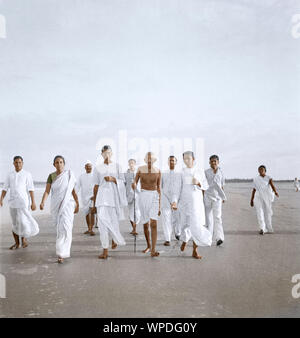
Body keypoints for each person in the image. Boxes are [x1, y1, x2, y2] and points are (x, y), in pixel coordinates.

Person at [40, 155, 79, 263]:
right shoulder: (51, 176)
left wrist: (77, 203)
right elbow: (47, 191)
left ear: (64, 164)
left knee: (66, 228)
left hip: (68, 205)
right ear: (54, 164)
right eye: (57, 162)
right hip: (56, 205)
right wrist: (43, 202)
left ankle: (62, 253)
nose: (59, 164)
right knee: (59, 229)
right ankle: (61, 251)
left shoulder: (69, 175)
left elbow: (73, 191)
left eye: (61, 162)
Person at [92, 145, 127, 259]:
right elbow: (96, 186)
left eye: (109, 153)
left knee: (114, 222)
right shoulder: (97, 168)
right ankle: (105, 250)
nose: (107, 155)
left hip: (113, 199)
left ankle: (114, 238)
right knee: (102, 225)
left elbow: (123, 182)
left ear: (112, 154)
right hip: (101, 199)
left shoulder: (117, 166)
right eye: (105, 153)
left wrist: (113, 179)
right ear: (102, 154)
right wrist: (94, 204)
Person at [0, 156, 39, 250]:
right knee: (14, 223)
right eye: (16, 162)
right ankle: (17, 243)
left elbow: (31, 189)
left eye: (20, 162)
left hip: (23, 202)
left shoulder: (27, 174)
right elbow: (5, 188)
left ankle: (24, 240)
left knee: (23, 221)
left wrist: (33, 202)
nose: (18, 164)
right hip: (13, 202)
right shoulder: (10, 175)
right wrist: (1, 199)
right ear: (13, 163)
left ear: (22, 163)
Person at [178, 151, 212, 259]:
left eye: (189, 158)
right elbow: (178, 187)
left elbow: (206, 185)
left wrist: (198, 183)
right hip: (184, 201)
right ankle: (185, 239)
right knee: (184, 225)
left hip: (196, 202)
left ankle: (195, 250)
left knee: (196, 225)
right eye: (185, 158)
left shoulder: (199, 171)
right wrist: (175, 201)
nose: (187, 160)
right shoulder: (181, 172)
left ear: (193, 159)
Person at [132, 152, 161, 257]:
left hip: (154, 196)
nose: (149, 160)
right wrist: (134, 185)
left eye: (151, 159)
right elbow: (135, 181)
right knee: (145, 224)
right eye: (148, 158)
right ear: (145, 160)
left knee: (154, 223)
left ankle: (153, 250)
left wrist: (159, 205)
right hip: (143, 195)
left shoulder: (158, 171)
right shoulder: (140, 169)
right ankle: (148, 245)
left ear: (154, 160)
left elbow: (158, 188)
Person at [204, 155, 226, 246]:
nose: (213, 163)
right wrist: (202, 197)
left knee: (217, 217)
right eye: (211, 161)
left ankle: (219, 238)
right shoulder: (206, 172)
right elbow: (203, 185)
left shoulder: (221, 173)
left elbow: (222, 186)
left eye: (215, 161)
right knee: (208, 218)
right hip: (207, 197)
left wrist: (223, 196)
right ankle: (208, 238)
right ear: (209, 162)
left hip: (217, 198)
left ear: (218, 162)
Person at [250, 165, 279, 235]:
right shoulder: (256, 179)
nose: (260, 171)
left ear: (265, 170)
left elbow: (272, 186)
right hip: (258, 197)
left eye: (262, 169)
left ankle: (268, 227)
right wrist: (252, 199)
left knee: (267, 212)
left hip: (266, 197)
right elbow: (254, 189)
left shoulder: (268, 178)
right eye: (259, 170)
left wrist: (275, 192)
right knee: (259, 212)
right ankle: (262, 228)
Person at [161, 155, 181, 246]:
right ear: (167, 162)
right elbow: (160, 186)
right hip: (165, 196)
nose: (171, 162)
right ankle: (167, 238)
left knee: (177, 218)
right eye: (170, 161)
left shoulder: (180, 173)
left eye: (173, 160)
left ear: (176, 162)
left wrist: (177, 200)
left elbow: (182, 187)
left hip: (176, 197)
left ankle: (178, 233)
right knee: (166, 217)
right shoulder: (163, 173)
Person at [76, 160, 96, 236]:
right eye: (87, 166)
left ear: (92, 167)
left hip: (92, 197)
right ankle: (89, 228)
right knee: (86, 213)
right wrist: (74, 195)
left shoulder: (94, 175)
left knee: (92, 212)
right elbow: (77, 186)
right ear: (85, 167)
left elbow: (98, 186)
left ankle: (91, 229)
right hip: (84, 197)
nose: (88, 168)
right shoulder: (81, 176)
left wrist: (95, 195)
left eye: (90, 166)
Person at [124, 159, 141, 236]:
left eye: (133, 163)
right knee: (131, 212)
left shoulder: (138, 173)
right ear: (128, 164)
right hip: (129, 195)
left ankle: (135, 228)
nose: (131, 164)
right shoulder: (125, 174)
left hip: (137, 194)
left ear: (135, 164)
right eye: (130, 163)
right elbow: (123, 184)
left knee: (137, 212)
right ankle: (133, 228)